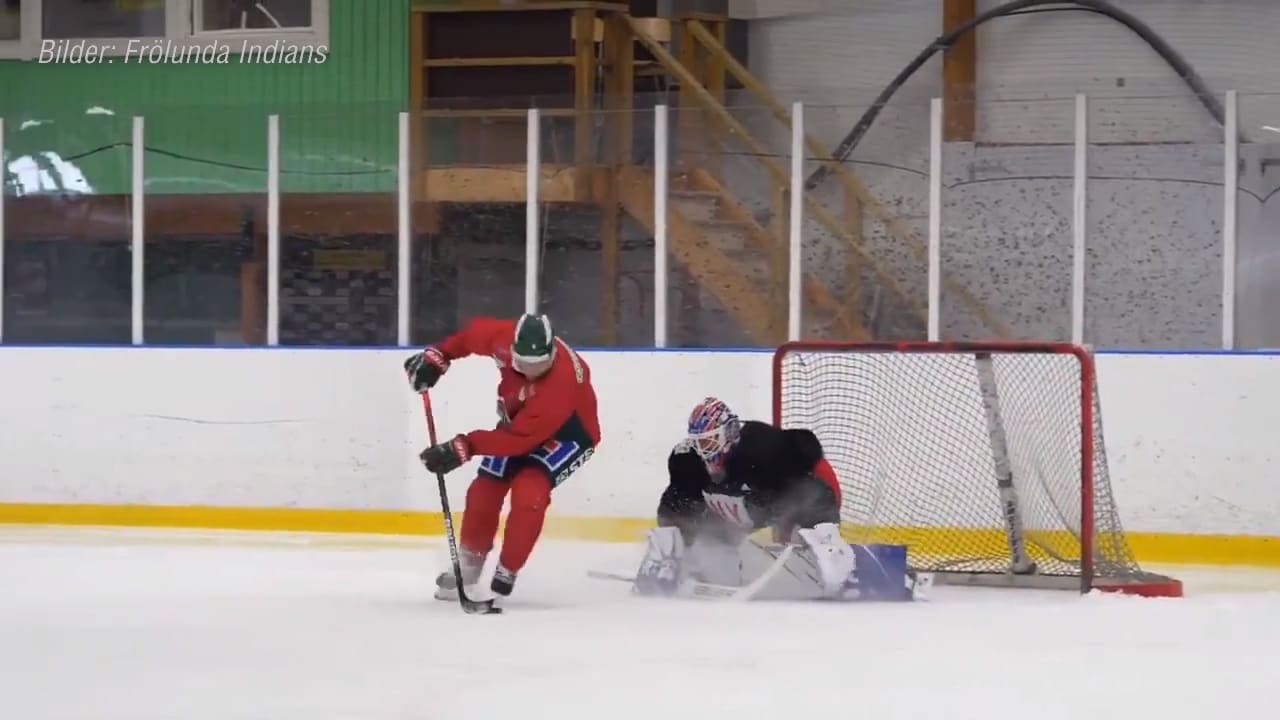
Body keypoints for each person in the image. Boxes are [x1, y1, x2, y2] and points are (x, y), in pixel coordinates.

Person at [404, 313, 601, 602]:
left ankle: (508, 568)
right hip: (520, 423)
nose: (531, 372)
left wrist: (465, 446)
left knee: (529, 492)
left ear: (553, 355)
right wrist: (439, 356)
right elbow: (469, 338)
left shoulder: (560, 386)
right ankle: (470, 562)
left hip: (569, 434)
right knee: (484, 489)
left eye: (540, 365)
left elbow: (520, 442)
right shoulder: (503, 339)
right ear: (512, 351)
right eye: (523, 364)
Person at [635, 396, 855, 600]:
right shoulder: (689, 459)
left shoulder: (761, 450)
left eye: (710, 443)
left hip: (792, 497)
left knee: (804, 537)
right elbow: (678, 500)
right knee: (706, 544)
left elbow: (810, 487)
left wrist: (824, 532)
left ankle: (833, 559)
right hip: (748, 506)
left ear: (729, 434)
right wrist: (669, 541)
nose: (703, 452)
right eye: (699, 444)